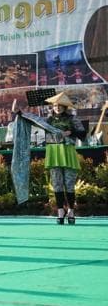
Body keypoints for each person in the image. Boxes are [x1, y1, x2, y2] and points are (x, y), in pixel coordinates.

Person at [44, 91, 86, 224]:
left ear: (64, 107)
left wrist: (70, 132)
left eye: (60, 106)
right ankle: (60, 211)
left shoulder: (72, 118)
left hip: (67, 152)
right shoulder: (48, 120)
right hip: (53, 153)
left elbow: (83, 134)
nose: (57, 108)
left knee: (69, 184)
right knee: (57, 184)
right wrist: (19, 113)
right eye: (55, 106)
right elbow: (32, 121)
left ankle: (71, 211)